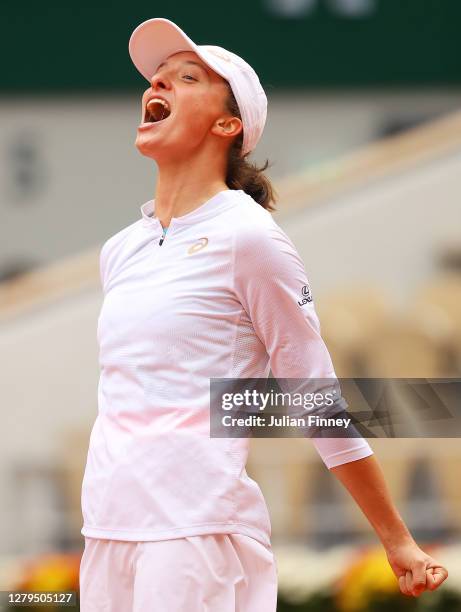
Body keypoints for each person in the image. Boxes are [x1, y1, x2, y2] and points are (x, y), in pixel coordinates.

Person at [78, 17, 448, 611]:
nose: (160, 85)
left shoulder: (250, 238)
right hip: (107, 529)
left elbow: (313, 394)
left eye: (186, 77)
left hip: (197, 534)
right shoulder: (121, 249)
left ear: (229, 125)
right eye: (158, 78)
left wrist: (397, 539)